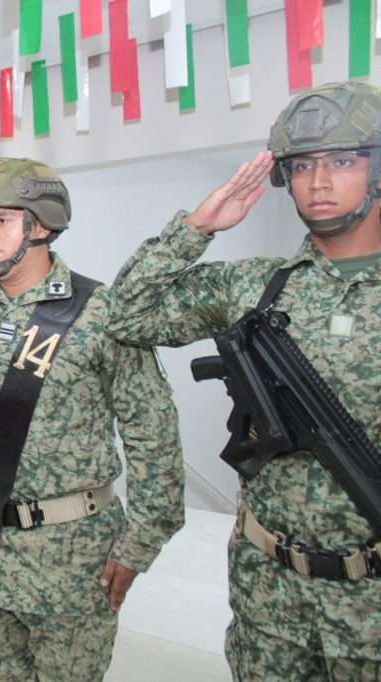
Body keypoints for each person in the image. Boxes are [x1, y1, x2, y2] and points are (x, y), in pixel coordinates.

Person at [107, 81, 381, 679]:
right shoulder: (254, 285)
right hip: (269, 600)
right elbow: (125, 315)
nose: (319, 181)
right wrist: (197, 228)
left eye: (342, 161)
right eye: (302, 165)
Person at [0, 157, 185, 680]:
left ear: (42, 225)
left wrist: (140, 544)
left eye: (2, 220)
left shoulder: (98, 312)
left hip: (72, 550)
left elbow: (153, 435)